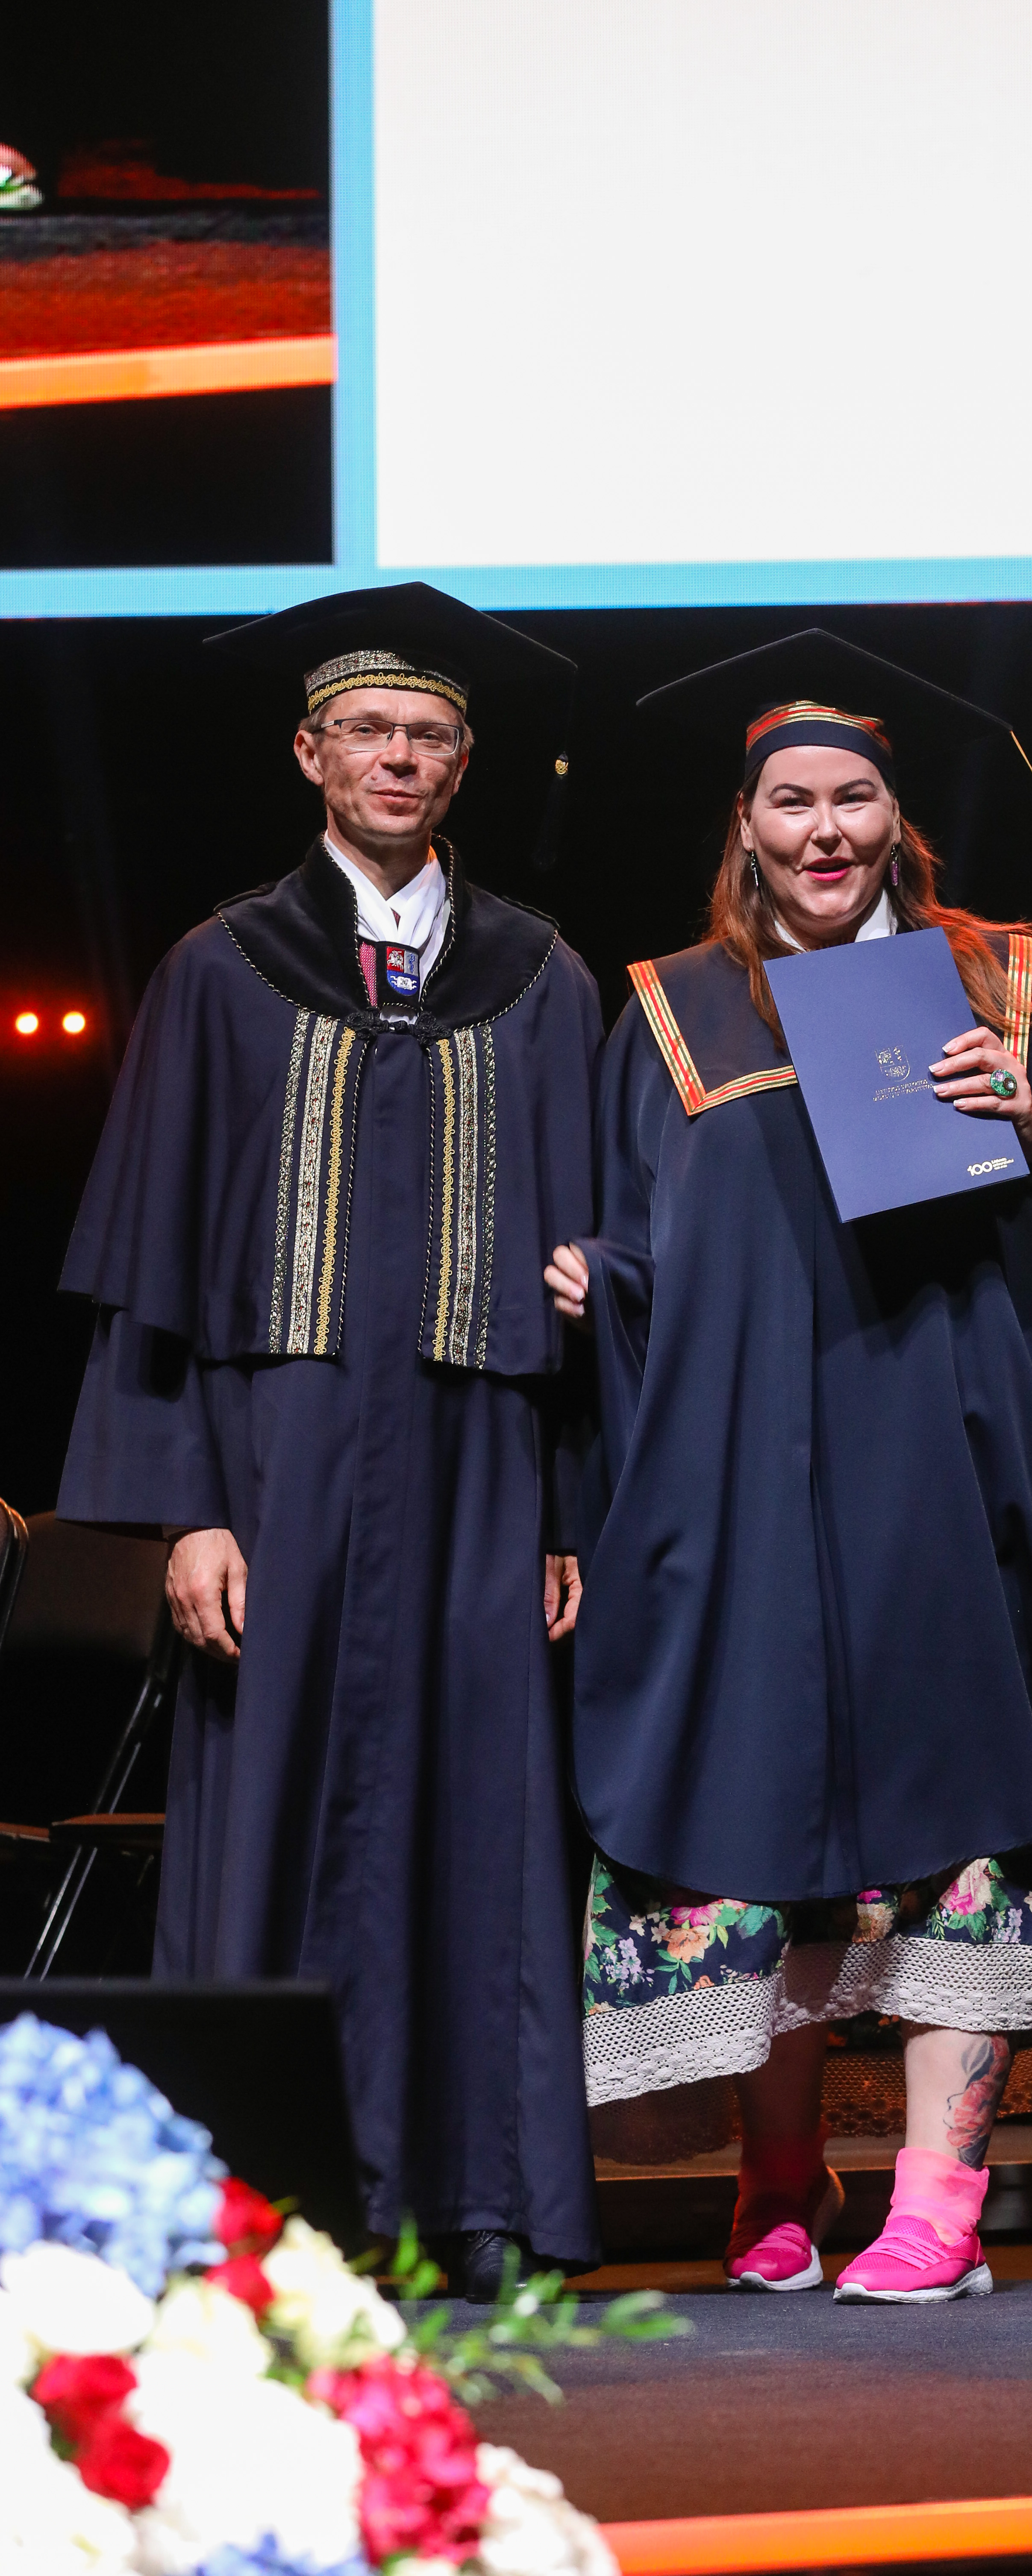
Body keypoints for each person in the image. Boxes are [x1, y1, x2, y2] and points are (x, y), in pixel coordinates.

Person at [546, 631, 1032, 2302]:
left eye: (854, 800)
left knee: (972, 1822)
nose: (825, 830)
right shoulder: (669, 1005)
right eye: (792, 803)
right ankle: (781, 2169)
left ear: (899, 820)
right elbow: (650, 1224)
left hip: (959, 1479)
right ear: (746, 825)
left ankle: (942, 2198)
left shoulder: (1002, 983)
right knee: (766, 1811)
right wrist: (601, 1277)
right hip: (748, 1478)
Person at [56, 582, 604, 2295]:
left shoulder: (542, 979)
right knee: (268, 1816)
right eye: (369, 730)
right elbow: (151, 1269)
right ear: (311, 753)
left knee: (483, 1813)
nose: (399, 758)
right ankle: (261, 2205)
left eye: (429, 735)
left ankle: (481, 2198)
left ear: (463, 765)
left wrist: (565, 1509)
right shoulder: (223, 970)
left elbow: (590, 1263)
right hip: (273, 1466)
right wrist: (184, 1513)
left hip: (481, 1464)